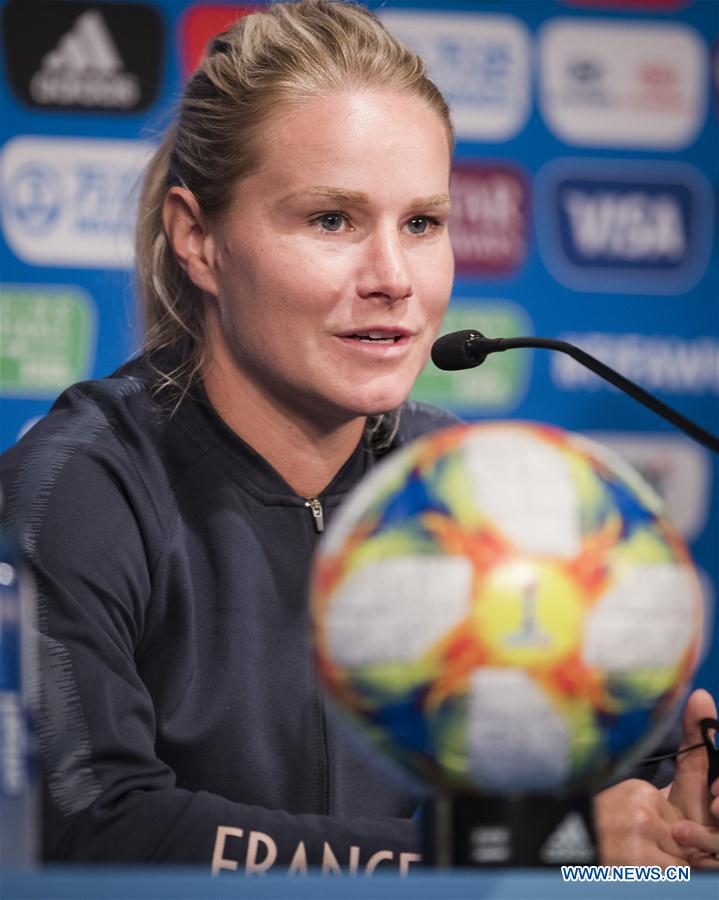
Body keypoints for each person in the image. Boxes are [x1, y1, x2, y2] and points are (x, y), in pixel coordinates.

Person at [0, 0, 716, 873]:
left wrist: (668, 816)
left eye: (421, 223)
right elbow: (92, 828)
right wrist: (522, 850)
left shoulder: (466, 484)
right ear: (198, 238)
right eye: (331, 220)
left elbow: (598, 799)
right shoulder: (81, 485)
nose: (392, 279)